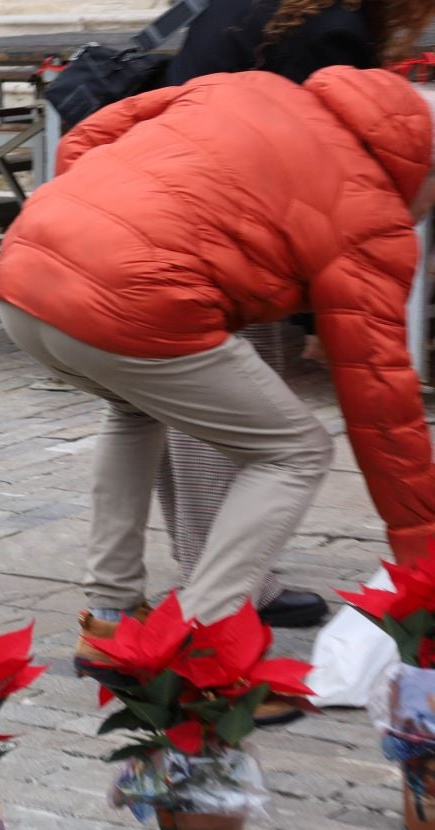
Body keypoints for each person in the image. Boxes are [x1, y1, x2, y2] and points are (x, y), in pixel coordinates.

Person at [0, 67, 435, 665]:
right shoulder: (373, 216)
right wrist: (420, 553)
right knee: (294, 451)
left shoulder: (245, 86)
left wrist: (90, 228)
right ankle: (202, 649)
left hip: (25, 267)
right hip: (135, 299)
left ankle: (111, 616)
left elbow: (85, 138)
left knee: (133, 410)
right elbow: (381, 401)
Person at [149, 0, 435, 636]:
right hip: (229, 229)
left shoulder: (248, 5)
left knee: (174, 411)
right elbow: (333, 184)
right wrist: (317, 329)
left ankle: (178, 569)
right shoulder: (334, 32)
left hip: (163, 202)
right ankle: (221, 590)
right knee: (245, 427)